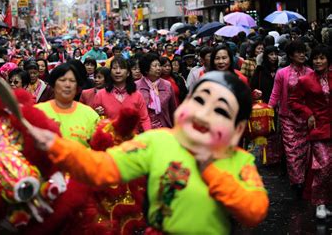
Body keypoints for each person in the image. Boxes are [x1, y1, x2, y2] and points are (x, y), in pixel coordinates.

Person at [25, 71, 269, 234]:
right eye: (200, 101)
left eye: (221, 111)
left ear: (237, 129)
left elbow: (254, 211)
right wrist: (56, 146)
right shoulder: (157, 141)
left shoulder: (239, 160)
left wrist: (212, 173)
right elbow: (101, 168)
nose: (203, 115)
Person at [289, 45, 332, 219]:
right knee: (324, 166)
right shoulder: (305, 80)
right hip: (319, 129)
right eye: (315, 58)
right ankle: (320, 203)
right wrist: (308, 114)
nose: (318, 61)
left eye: (322, 58)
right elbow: (293, 101)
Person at [269, 40, 312, 192]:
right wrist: (268, 110)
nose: (302, 55)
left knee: (304, 150)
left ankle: (303, 177)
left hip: (306, 118)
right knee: (291, 150)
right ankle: (297, 181)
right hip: (287, 117)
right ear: (291, 55)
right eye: (298, 52)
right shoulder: (282, 73)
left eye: (303, 52)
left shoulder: (310, 72)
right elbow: (275, 94)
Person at [36, 63, 99, 146]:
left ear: (77, 86)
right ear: (53, 84)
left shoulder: (90, 115)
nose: (67, 85)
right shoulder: (38, 112)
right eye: (62, 80)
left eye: (72, 81)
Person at [93, 58, 151, 131]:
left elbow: (144, 119)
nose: (118, 71)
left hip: (132, 139)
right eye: (114, 68)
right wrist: (96, 113)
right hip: (110, 139)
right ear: (110, 72)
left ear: (128, 73)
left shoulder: (137, 95)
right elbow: (94, 121)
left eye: (122, 68)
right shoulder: (100, 95)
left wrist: (148, 137)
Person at [136, 53, 177, 129]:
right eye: (155, 66)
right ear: (146, 69)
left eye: (159, 65)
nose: (158, 68)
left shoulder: (167, 85)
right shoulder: (136, 86)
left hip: (164, 128)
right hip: (142, 130)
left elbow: (173, 109)